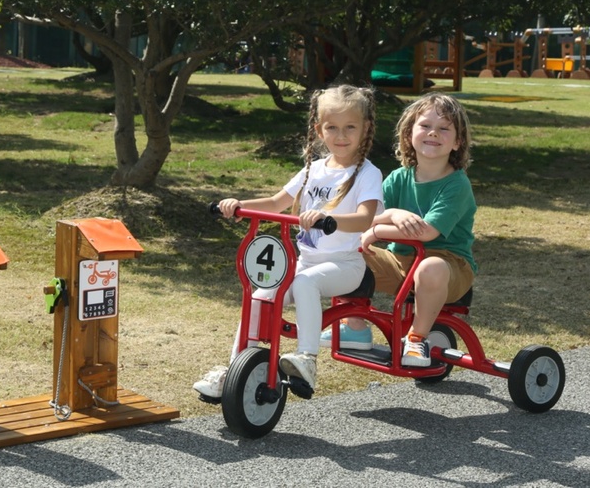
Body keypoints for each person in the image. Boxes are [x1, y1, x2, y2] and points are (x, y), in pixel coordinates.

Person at [193, 84, 383, 398]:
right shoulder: (313, 170)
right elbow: (275, 202)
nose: (341, 135)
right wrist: (238, 205)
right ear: (319, 130)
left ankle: (307, 359)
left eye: (350, 127)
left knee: (306, 283)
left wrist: (328, 219)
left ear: (365, 129)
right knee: (261, 294)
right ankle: (235, 368)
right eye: (332, 127)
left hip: (346, 265)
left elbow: (365, 218)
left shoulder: (367, 173)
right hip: (306, 262)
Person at [320, 92, 475, 367]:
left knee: (430, 268)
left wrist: (378, 232)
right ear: (409, 134)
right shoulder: (398, 178)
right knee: (346, 251)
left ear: (457, 142)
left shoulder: (457, 185)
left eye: (444, 129)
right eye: (425, 126)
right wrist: (392, 214)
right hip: (400, 262)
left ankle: (416, 339)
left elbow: (426, 232)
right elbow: (369, 217)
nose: (433, 133)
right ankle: (354, 326)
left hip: (449, 267)